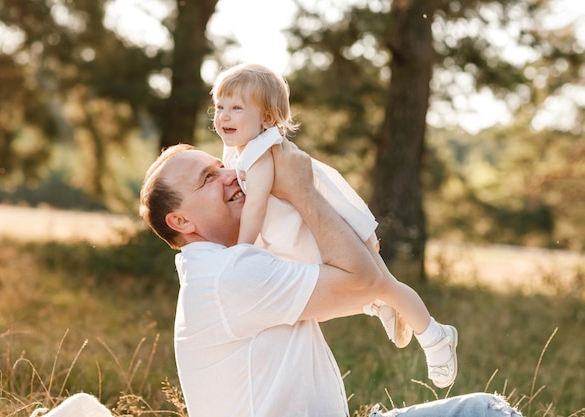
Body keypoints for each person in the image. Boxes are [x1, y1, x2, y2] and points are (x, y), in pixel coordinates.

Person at [137, 140, 524, 417]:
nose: (229, 175)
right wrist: (302, 190)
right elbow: (368, 283)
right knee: (485, 412)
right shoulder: (230, 275)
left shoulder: (227, 266)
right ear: (181, 221)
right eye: (207, 177)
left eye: (220, 165)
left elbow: (359, 291)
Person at [210, 63, 456, 388]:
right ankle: (377, 304)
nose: (224, 116)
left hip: (331, 228)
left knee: (385, 282)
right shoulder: (240, 148)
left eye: (236, 108)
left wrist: (239, 250)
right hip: (305, 236)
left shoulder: (261, 154)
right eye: (219, 107)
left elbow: (255, 206)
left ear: (268, 119)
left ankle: (436, 336)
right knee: (329, 301)